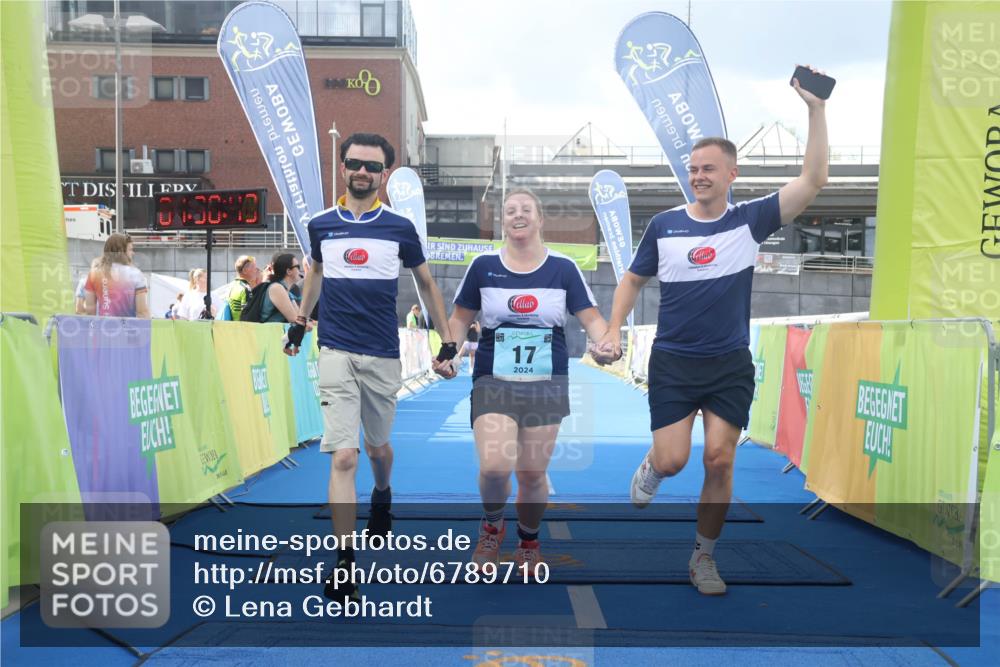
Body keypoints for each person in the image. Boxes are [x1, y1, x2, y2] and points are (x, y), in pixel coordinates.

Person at [597, 67, 830, 596]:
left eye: (708, 169)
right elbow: (632, 281)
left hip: (728, 363)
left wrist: (815, 111)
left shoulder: (751, 220)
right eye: (693, 168)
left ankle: (703, 556)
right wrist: (613, 328)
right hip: (674, 363)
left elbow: (813, 181)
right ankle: (654, 467)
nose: (698, 175)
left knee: (719, 458)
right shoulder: (665, 225)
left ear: (732, 174)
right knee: (676, 459)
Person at [284, 132, 457, 602]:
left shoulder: (400, 227)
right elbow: (316, 271)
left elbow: (427, 284)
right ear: (343, 167)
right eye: (354, 163)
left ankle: (383, 494)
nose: (362, 171)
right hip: (335, 350)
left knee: (378, 449)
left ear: (383, 175)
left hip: (382, 355)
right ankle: (344, 563)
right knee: (344, 454)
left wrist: (448, 339)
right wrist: (302, 322)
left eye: (372, 166)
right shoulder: (320, 224)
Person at [439, 189, 615, 574]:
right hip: (493, 379)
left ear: (539, 219)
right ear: (504, 220)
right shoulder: (483, 266)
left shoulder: (564, 268)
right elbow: (459, 318)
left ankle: (529, 541)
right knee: (495, 466)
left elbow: (592, 319)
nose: (518, 215)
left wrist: (606, 343)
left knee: (533, 473)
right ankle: (491, 525)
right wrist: (448, 352)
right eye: (510, 211)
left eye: (525, 210)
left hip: (546, 381)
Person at [84, 232, 150, 318]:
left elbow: (90, 311)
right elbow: (142, 312)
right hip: (128, 329)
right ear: (121, 251)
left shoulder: (93, 273)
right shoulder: (136, 274)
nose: (133, 253)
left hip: (102, 328)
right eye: (130, 249)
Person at [258, 252, 301, 323]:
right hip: (268, 333)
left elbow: (299, 316)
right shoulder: (276, 288)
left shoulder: (285, 289)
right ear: (288, 271)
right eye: (298, 267)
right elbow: (294, 319)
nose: (300, 271)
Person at [227, 255, 258, 321]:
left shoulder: (232, 285)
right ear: (244, 270)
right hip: (242, 329)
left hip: (232, 327)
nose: (256, 269)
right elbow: (247, 317)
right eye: (253, 267)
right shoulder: (245, 289)